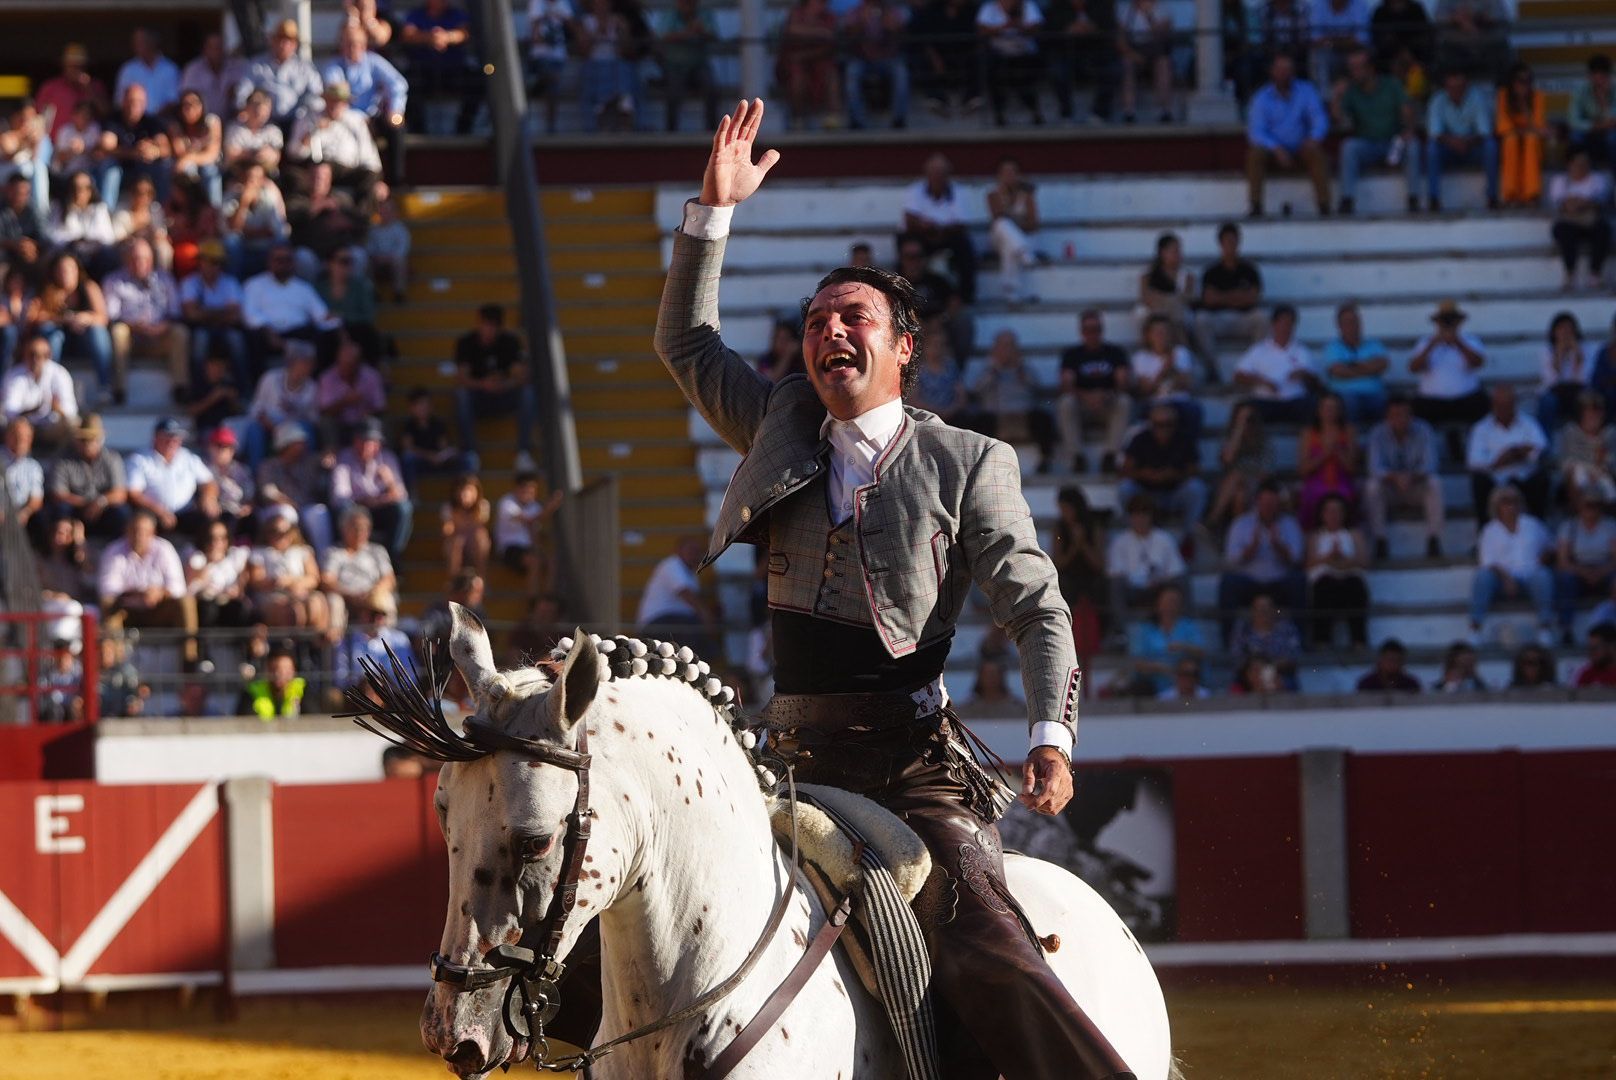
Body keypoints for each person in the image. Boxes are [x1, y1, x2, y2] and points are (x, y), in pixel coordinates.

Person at [644, 99, 1120, 1079]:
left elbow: (1036, 608)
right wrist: (710, 213)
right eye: (816, 321)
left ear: (903, 347)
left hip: (911, 764)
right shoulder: (777, 420)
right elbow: (685, 344)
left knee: (987, 948)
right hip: (781, 751)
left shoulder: (966, 461)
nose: (828, 332)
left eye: (851, 317)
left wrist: (1048, 736)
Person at [97, 508, 198, 662]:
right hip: (127, 611)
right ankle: (118, 668)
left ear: (152, 532)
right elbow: (107, 590)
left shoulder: (164, 549)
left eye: (144, 531)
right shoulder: (114, 551)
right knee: (108, 605)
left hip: (159, 609)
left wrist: (159, 593)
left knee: (186, 602)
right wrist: (139, 594)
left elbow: (178, 588)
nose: (139, 535)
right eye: (134, 530)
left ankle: (190, 663)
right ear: (127, 531)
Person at [1218, 479, 1307, 639]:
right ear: (1257, 501)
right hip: (1249, 583)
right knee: (1228, 582)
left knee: (1299, 581)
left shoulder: (1290, 524)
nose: (1268, 507)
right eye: (1265, 502)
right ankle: (1228, 641)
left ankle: (1301, 639)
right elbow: (1231, 559)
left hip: (1279, 583)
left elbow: (1297, 559)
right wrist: (1251, 549)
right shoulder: (1241, 524)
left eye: (1272, 503)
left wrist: (1279, 546)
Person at [1245, 52, 1330, 218]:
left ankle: (1324, 205)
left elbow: (1319, 119)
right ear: (1272, 72)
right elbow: (1256, 132)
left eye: (1288, 69)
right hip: (1273, 152)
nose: (1284, 74)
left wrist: (1313, 138)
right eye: (1280, 69)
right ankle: (1255, 205)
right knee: (1255, 155)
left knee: (1317, 155)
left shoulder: (1306, 91)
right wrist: (1276, 149)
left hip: (1301, 148)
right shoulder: (1261, 98)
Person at [103, 237, 190, 401]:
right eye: (134, 259)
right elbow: (111, 317)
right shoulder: (114, 281)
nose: (139, 263)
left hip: (159, 337)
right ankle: (119, 389)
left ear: (151, 260)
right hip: (131, 338)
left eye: (144, 259)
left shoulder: (165, 280)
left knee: (180, 332)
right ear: (126, 260)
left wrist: (162, 327)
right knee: (118, 332)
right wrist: (134, 326)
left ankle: (180, 387)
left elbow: (176, 313)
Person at [1334, 46, 1417, 214]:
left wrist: (1408, 128)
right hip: (1368, 144)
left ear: (1370, 68)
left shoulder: (1391, 84)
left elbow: (1407, 111)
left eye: (1358, 68)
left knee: (1413, 145)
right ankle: (1347, 199)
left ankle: (1413, 198)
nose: (1354, 72)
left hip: (1394, 143)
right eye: (1351, 68)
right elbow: (1338, 120)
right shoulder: (1350, 90)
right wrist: (1337, 96)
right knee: (1349, 146)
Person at [1469, 484, 1554, 646]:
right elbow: (1487, 562)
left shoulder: (1532, 524)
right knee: (1482, 577)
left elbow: (1550, 546)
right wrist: (1506, 578)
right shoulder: (1490, 531)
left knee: (1543, 575)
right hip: (1501, 581)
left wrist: (1543, 558)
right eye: (1505, 501)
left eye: (1514, 501)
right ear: (1497, 506)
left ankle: (1545, 629)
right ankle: (1475, 629)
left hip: (1530, 577)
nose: (1511, 505)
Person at [323, 21, 409, 180]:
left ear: (364, 45)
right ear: (341, 45)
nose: (352, 48)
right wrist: (356, 117)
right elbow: (336, 94)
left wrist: (395, 110)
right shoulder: (333, 65)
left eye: (356, 44)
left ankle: (397, 179)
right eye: (348, 43)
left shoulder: (373, 61)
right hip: (345, 119)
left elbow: (398, 84)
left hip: (372, 117)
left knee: (397, 127)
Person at [454, 303, 536, 470]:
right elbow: (462, 378)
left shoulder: (510, 343)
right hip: (479, 397)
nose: (489, 330)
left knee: (528, 393)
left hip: (504, 395)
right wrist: (483, 384)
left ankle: (523, 452)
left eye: (493, 326)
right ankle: (470, 452)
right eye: (486, 325)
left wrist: (504, 383)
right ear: (479, 324)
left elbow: (521, 376)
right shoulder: (466, 343)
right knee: (461, 395)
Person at [964, 329, 1057, 473]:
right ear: (996, 349)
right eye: (1003, 346)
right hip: (997, 416)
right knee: (979, 421)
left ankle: (1045, 460)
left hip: (1024, 415)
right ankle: (979, 464)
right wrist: (995, 369)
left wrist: (1020, 370)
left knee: (1043, 418)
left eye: (1010, 346)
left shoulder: (1025, 369)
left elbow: (1036, 388)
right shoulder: (988, 370)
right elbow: (978, 390)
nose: (1007, 351)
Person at [1364, 396, 1443, 559]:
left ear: (1411, 415)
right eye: (1395, 415)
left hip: (1415, 487)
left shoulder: (1424, 430)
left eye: (1403, 414)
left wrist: (1411, 477)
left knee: (1435, 483)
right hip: (1391, 489)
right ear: (1387, 417)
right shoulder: (1377, 433)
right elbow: (1374, 468)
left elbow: (1431, 464)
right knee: (1372, 487)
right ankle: (1380, 540)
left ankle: (1434, 538)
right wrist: (1395, 477)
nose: (1399, 419)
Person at [1119, 401, 1207, 547]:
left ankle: (1188, 536)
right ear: (1151, 424)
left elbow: (1194, 470)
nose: (1164, 428)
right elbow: (1125, 470)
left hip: (1174, 494)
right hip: (1145, 494)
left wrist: (1175, 475)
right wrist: (1145, 474)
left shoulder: (1184, 439)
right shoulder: (1140, 439)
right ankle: (1131, 535)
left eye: (1169, 424)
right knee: (1125, 489)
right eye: (1159, 424)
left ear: (1175, 424)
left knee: (1196, 489)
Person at [243, 243, 340, 373]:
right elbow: (249, 314)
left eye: (287, 260)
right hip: (267, 333)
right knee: (253, 337)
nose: (283, 264)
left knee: (328, 334)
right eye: (278, 260)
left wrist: (333, 320)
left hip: (299, 333)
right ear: (269, 262)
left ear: (293, 263)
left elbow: (321, 315)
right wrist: (268, 331)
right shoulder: (254, 284)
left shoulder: (304, 288)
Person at [1057, 309, 1130, 473]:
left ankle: (1111, 456)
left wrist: (1106, 395)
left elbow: (1123, 382)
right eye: (1088, 330)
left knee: (1124, 401)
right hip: (1082, 406)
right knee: (1066, 403)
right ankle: (1077, 457)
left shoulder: (1115, 353)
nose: (1092, 334)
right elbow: (1066, 385)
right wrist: (1087, 396)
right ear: (1081, 332)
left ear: (1102, 330)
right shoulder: (1072, 355)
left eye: (1096, 329)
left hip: (1107, 404)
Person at [330, 417, 412, 558]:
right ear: (355, 441)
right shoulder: (344, 457)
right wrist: (367, 501)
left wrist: (391, 482)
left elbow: (401, 495)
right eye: (362, 440)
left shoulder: (387, 458)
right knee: (345, 509)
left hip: (381, 509)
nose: (366, 446)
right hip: (357, 508)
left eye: (371, 442)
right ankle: (349, 555)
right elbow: (339, 497)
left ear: (378, 444)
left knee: (404, 508)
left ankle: (393, 555)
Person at [1466, 383, 1548, 523]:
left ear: (1514, 404)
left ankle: (1537, 528)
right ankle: (1484, 532)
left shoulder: (1528, 423)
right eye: (1500, 405)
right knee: (1478, 481)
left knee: (1541, 478)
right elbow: (1473, 461)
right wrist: (1499, 460)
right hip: (1494, 479)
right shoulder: (1481, 428)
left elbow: (1540, 448)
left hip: (1523, 478)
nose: (1504, 409)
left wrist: (1515, 454)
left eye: (1508, 405)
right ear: (1493, 405)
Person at [901, 153, 977, 303]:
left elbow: (961, 224)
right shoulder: (915, 190)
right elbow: (909, 220)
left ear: (948, 175)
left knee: (965, 246)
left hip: (947, 237)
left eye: (941, 173)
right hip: (921, 236)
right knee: (908, 246)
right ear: (927, 174)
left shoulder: (959, 192)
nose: (937, 177)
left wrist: (936, 229)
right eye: (934, 173)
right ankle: (903, 293)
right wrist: (929, 228)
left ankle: (964, 295)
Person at [127, 416, 219, 539]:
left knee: (211, 518)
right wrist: (160, 511)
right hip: (154, 513)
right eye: (167, 437)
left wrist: (208, 498)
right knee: (143, 523)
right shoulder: (140, 459)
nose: (172, 441)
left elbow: (208, 482)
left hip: (186, 512)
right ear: (155, 437)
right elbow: (134, 494)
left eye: (176, 438)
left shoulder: (188, 457)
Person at [1409, 298, 1488, 437]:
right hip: (1431, 402)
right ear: (1437, 322)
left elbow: (1478, 363)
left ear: (1459, 322)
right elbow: (1413, 368)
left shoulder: (1470, 341)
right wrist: (1432, 345)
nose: (1447, 324)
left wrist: (1458, 342)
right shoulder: (1425, 343)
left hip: (1466, 400)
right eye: (1444, 320)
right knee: (1414, 411)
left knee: (1484, 404)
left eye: (1451, 320)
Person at [248, 514, 333, 640]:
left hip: (300, 592)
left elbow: (314, 578)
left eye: (285, 531)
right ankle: (292, 646)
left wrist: (293, 583)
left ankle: (317, 646)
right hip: (273, 596)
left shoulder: (303, 551)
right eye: (275, 531)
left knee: (316, 602)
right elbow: (256, 580)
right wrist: (277, 583)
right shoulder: (259, 553)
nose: (280, 536)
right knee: (294, 610)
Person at [401, 0, 480, 135]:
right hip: (423, 71)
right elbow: (408, 35)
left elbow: (463, 33)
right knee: (405, 85)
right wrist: (429, 38)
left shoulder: (456, 14)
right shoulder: (416, 14)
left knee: (477, 83)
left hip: (453, 71)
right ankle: (418, 131)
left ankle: (463, 129)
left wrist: (447, 37)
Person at [1425, 68, 1498, 211]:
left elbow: (1485, 132)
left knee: (1491, 146)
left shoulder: (1477, 97)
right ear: (1446, 87)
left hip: (1472, 148)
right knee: (1432, 148)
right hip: (1448, 149)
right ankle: (1434, 198)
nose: (1455, 91)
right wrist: (1453, 142)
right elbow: (1434, 133)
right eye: (1451, 88)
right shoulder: (1438, 99)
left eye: (1459, 87)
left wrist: (1467, 142)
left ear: (1466, 86)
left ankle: (1492, 197)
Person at [1234, 303, 1321, 424]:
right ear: (1274, 324)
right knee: (1245, 410)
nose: (1286, 327)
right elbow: (1239, 376)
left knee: (1315, 406)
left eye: (1290, 323)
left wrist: (1304, 375)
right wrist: (1263, 381)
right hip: (1266, 401)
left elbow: (1316, 382)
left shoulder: (1302, 352)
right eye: (1283, 322)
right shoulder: (1259, 350)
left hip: (1295, 402)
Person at [180, 240, 249, 391]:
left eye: (216, 262)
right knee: (200, 341)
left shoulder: (230, 283)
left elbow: (235, 316)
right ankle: (197, 391)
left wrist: (204, 312)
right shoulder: (190, 283)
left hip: (225, 328)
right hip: (200, 329)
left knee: (236, 340)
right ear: (200, 263)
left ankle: (243, 390)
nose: (212, 266)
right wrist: (222, 312)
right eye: (208, 261)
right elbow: (191, 315)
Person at [1107, 492, 1187, 622]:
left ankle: (1183, 627)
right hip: (1131, 589)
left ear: (1151, 516)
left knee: (1180, 582)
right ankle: (1121, 629)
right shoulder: (1120, 541)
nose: (1140, 519)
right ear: (1130, 517)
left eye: (1144, 514)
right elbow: (1116, 573)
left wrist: (1159, 582)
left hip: (1159, 589)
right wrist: (1136, 582)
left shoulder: (1164, 539)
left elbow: (1176, 571)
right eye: (1136, 515)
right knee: (1115, 586)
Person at [256, 422, 334, 553]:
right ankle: (285, 554)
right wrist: (289, 502)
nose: (303, 445)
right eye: (297, 442)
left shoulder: (309, 462)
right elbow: (268, 493)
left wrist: (328, 457)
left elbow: (327, 457)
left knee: (319, 512)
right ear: (286, 444)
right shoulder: (268, 466)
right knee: (287, 511)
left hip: (303, 507)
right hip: (275, 510)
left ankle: (323, 557)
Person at [49, 414, 130, 539]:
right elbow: (58, 495)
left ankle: (118, 547)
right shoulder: (63, 459)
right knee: (61, 510)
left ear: (99, 440)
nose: (86, 443)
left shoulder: (112, 459)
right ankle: (62, 552)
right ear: (76, 440)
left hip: (103, 510)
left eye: (91, 439)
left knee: (122, 512)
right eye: (82, 439)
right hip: (76, 509)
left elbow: (120, 493)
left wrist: (101, 502)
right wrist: (86, 503)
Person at [1138, 231, 1210, 369]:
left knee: (1177, 309)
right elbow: (1146, 297)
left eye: (1179, 250)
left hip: (1180, 315)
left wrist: (1168, 300)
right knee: (1147, 313)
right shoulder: (1148, 276)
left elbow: (1189, 298)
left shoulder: (1187, 276)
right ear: (1162, 253)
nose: (1178, 254)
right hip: (1158, 311)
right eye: (1174, 250)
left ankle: (1183, 352)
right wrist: (1169, 301)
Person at [635, 533, 716, 655]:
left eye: (698, 551)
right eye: (691, 550)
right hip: (657, 622)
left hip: (675, 620)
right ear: (679, 550)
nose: (695, 554)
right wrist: (706, 615)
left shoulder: (691, 573)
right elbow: (686, 594)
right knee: (693, 629)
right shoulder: (672, 565)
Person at [1195, 221, 1266, 357]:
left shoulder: (1250, 270)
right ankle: (1212, 367)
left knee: (1262, 319)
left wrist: (1221, 297)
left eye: (1233, 241)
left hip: (1244, 317)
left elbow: (1252, 298)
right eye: (1227, 242)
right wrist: (1238, 296)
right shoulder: (1211, 272)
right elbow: (1208, 299)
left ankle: (1254, 364)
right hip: (1218, 318)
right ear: (1220, 244)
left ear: (1239, 242)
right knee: (1200, 320)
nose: (1230, 245)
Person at [1306, 493, 1369, 646]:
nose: (1333, 515)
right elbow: (1309, 563)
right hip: (1324, 582)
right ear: (1322, 514)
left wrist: (1340, 561)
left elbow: (1364, 561)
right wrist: (1330, 557)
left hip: (1350, 579)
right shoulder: (1315, 536)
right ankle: (1321, 641)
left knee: (1355, 586)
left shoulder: (1354, 534)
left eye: (1337, 511)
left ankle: (1358, 640)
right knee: (1323, 587)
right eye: (1329, 511)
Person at [1051, 485, 1107, 655]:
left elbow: (1099, 564)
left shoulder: (1094, 526)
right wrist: (1075, 546)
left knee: (1102, 588)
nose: (1064, 513)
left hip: (1091, 577)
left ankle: (1102, 636)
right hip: (1068, 577)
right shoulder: (1059, 529)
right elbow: (1058, 563)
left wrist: (1083, 544)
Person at [1128, 312, 1203, 440]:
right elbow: (1145, 390)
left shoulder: (1181, 353)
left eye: (1165, 332)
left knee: (1193, 411)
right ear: (1148, 335)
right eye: (1157, 332)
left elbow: (1187, 384)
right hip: (1154, 403)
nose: (1162, 336)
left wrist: (1172, 369)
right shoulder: (1140, 358)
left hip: (1180, 402)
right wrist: (1165, 370)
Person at [97, 83, 171, 210]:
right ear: (123, 101)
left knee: (165, 165)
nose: (134, 105)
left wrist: (155, 151)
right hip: (122, 170)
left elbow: (166, 149)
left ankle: (163, 211)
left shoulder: (151, 122)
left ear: (145, 103)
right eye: (131, 100)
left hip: (145, 170)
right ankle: (107, 213)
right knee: (110, 169)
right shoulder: (113, 120)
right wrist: (133, 153)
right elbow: (106, 147)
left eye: (139, 101)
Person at [322, 504, 398, 625]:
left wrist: (373, 593)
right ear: (343, 529)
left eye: (364, 528)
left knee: (386, 599)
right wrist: (351, 595)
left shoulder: (377, 551)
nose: (359, 532)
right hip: (345, 596)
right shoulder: (334, 552)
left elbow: (389, 579)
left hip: (372, 595)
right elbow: (327, 580)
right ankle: (336, 642)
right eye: (355, 528)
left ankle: (386, 640)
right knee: (334, 601)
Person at [1, 332, 78, 449]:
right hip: (23, 427)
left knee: (73, 424)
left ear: (48, 356)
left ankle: (63, 459)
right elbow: (9, 411)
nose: (35, 359)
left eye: (40, 355)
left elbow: (71, 412)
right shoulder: (14, 375)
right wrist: (30, 411)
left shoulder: (60, 374)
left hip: (50, 428)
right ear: (24, 355)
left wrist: (58, 409)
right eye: (31, 354)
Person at [1554, 495, 1616, 641]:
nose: (1591, 510)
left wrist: (1600, 572)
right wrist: (1584, 573)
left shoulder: (1611, 526)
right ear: (1579, 508)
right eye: (1587, 506)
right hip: (1578, 570)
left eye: (1595, 506)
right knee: (1565, 579)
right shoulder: (1568, 527)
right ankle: (1566, 628)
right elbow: (1562, 561)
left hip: (1605, 569)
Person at [1206, 400, 1273, 535]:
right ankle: (1236, 535)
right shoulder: (1229, 437)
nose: (1247, 423)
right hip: (1229, 487)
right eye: (1242, 419)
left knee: (1238, 475)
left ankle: (1213, 519)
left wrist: (1245, 474)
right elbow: (1227, 459)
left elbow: (1266, 473)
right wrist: (1239, 429)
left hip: (1256, 484)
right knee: (1239, 495)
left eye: (1249, 419)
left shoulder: (1264, 440)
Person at [1548, 151, 1611, 293]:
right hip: (1570, 223)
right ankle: (1570, 274)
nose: (1582, 167)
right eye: (1578, 164)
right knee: (1564, 231)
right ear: (1569, 165)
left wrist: (1579, 203)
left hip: (1590, 223)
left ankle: (1595, 273)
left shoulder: (1598, 179)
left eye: (1585, 164)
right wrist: (1577, 203)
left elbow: (1600, 199)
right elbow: (1560, 203)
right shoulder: (1560, 181)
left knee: (1603, 229)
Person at [977, 0, 1047, 126]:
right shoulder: (990, 7)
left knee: (1023, 77)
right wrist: (1003, 28)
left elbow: (1036, 27)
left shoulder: (1027, 5)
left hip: (1025, 54)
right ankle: (999, 114)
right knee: (992, 73)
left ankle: (1034, 111)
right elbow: (982, 30)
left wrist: (1019, 26)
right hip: (999, 54)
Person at [843, 0, 911, 130]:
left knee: (901, 72)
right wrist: (861, 23)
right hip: (862, 59)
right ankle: (857, 121)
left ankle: (898, 118)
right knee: (851, 73)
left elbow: (901, 33)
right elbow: (849, 35)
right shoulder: (855, 12)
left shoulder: (893, 11)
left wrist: (892, 25)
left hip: (888, 58)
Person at [243, 19, 324, 129]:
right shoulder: (257, 66)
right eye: (279, 39)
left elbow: (317, 94)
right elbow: (243, 92)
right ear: (272, 41)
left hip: (296, 122)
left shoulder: (305, 68)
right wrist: (247, 109)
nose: (283, 45)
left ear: (295, 44)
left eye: (289, 41)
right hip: (265, 123)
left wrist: (306, 108)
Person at [909, 0, 983, 118]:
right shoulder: (932, 10)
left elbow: (977, 37)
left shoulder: (972, 11)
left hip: (964, 54)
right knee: (923, 61)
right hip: (939, 55)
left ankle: (971, 99)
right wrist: (935, 58)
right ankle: (937, 99)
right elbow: (925, 39)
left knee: (978, 59)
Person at [776, 0, 841, 130]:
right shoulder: (797, 14)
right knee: (797, 77)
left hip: (819, 61)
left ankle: (832, 117)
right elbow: (792, 31)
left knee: (831, 75)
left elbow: (830, 39)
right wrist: (820, 33)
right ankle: (798, 118)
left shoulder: (829, 16)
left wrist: (812, 36)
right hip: (797, 63)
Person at [495, 471, 562, 596]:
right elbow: (529, 520)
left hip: (528, 549)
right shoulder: (506, 503)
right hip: (510, 549)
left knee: (552, 561)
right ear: (517, 488)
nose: (529, 493)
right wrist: (549, 509)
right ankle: (533, 602)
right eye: (526, 489)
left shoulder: (534, 506)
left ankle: (548, 597)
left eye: (532, 490)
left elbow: (534, 530)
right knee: (534, 561)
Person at [1322, 301, 1389, 425]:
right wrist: (1368, 367)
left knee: (1389, 406)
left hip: (1375, 395)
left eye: (1354, 321)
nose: (1352, 325)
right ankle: (1351, 441)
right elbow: (1337, 371)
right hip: (1345, 397)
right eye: (1347, 322)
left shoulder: (1374, 344)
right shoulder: (1332, 347)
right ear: (1339, 325)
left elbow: (1383, 365)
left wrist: (1350, 367)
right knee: (1350, 403)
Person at [1298, 392, 1359, 526]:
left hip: (1341, 482)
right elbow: (1303, 470)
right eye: (1326, 408)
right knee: (1311, 498)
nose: (1329, 412)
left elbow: (1352, 469)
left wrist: (1337, 450)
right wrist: (1324, 454)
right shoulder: (1308, 433)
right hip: (1316, 482)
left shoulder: (1349, 431)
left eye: (1333, 408)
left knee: (1346, 497)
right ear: (1319, 411)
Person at [186, 518, 252, 641]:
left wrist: (237, 589)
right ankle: (203, 653)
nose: (215, 543)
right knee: (208, 608)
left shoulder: (235, 557)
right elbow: (190, 588)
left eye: (221, 538)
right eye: (211, 538)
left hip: (229, 603)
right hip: (205, 604)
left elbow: (242, 583)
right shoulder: (197, 558)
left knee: (241, 608)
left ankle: (242, 653)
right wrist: (209, 563)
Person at [399, 386, 476, 490]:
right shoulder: (408, 426)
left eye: (426, 404)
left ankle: (465, 492)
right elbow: (408, 448)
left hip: (440, 462)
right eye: (420, 404)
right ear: (411, 408)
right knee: (407, 458)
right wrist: (429, 456)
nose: (424, 408)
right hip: (421, 463)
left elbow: (443, 447)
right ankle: (410, 496)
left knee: (470, 459)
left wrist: (445, 454)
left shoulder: (438, 424)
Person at [986, 157, 1040, 304]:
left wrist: (1011, 218)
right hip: (1000, 237)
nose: (1009, 176)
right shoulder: (993, 195)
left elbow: (1034, 224)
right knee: (1002, 225)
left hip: (1021, 239)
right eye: (1006, 173)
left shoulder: (1027, 195)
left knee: (1009, 245)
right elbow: (997, 217)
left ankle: (1010, 291)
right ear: (999, 176)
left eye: (1012, 172)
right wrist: (1018, 220)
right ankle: (1022, 252)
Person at [1496, 62, 1547, 208]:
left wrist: (1525, 106)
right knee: (1511, 140)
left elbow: (1538, 126)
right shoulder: (1503, 96)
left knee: (1531, 140)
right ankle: (1511, 195)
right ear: (1512, 82)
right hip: (1512, 138)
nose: (1524, 85)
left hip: (1531, 138)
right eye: (1520, 81)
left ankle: (1531, 194)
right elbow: (1503, 125)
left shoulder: (1537, 97)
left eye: (1528, 81)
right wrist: (1522, 131)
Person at [316, 335, 387, 439]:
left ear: (358, 363)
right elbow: (324, 411)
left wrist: (368, 411)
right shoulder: (327, 378)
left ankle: (380, 453)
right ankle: (331, 452)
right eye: (343, 364)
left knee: (379, 422)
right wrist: (345, 401)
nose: (346, 368)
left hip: (364, 423)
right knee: (326, 422)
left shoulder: (372, 376)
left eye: (350, 365)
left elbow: (381, 407)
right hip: (339, 424)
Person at [35, 44, 110, 142]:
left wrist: (89, 90)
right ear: (64, 65)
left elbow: (106, 112)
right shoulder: (50, 87)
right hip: (55, 147)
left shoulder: (95, 86)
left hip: (88, 148)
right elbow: (38, 116)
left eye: (79, 66)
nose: (76, 70)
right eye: (72, 66)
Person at [1117, 0, 1175, 123]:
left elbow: (1163, 35)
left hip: (1157, 51)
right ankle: (1129, 112)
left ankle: (1164, 110)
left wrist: (1149, 14)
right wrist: (1133, 55)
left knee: (1163, 64)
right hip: (1133, 52)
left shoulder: (1162, 8)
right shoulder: (1125, 10)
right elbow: (1120, 40)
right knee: (1126, 65)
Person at [1229, 593, 1302, 689]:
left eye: (1267, 609)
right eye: (1259, 609)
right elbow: (1236, 657)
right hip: (1248, 676)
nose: (1263, 613)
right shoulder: (1242, 629)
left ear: (1274, 610)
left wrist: (1270, 667)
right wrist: (1254, 669)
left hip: (1281, 673)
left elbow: (1293, 656)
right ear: (1252, 611)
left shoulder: (1287, 629)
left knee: (1280, 682)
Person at [1555, 392, 1616, 505]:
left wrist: (1601, 462)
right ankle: (1580, 514)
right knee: (1576, 474)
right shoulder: (1570, 432)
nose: (1593, 416)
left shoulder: (1611, 433)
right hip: (1578, 475)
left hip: (1605, 474)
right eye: (1589, 412)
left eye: (1597, 411)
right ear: (1580, 414)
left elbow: (1612, 461)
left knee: (1607, 484)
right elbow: (1565, 462)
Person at [526, 0, 576, 135]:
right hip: (540, 56)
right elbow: (535, 34)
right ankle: (535, 87)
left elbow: (572, 28)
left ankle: (550, 125)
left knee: (553, 86)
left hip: (558, 56)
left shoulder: (564, 3)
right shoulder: (536, 2)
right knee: (551, 79)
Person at [1538, 311, 1590, 438]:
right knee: (1547, 402)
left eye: (1569, 330)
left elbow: (1583, 379)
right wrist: (1559, 355)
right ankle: (1546, 444)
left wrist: (1577, 355)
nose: (1565, 334)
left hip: (1577, 391)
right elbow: (1551, 382)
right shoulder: (1546, 352)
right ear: (1554, 332)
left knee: (1588, 401)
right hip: (1555, 393)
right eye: (1561, 329)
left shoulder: (1587, 350)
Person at [180, 32, 249, 121]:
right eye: (211, 47)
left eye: (219, 47)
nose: (215, 51)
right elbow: (188, 99)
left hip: (231, 120)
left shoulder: (237, 67)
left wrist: (235, 94)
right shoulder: (193, 70)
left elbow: (244, 96)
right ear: (204, 49)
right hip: (201, 123)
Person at [115, 27, 181, 114]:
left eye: (142, 41)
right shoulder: (128, 69)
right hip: (135, 123)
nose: (137, 45)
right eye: (135, 42)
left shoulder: (170, 69)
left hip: (164, 121)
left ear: (153, 42)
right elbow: (119, 101)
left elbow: (174, 100)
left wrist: (154, 120)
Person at [440, 472, 491, 580]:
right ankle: (454, 582)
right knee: (457, 542)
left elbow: (480, 525)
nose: (465, 494)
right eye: (462, 490)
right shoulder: (449, 508)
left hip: (474, 544)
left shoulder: (482, 506)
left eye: (470, 490)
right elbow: (447, 530)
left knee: (480, 538)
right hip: (455, 544)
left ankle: (481, 580)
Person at [1568, 54, 1616, 166]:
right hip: (1590, 130)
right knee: (1576, 136)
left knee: (1613, 139)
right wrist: (1594, 126)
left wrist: (1603, 101)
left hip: (1610, 132)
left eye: (1603, 77)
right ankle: (1584, 173)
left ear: (1609, 76)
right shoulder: (1580, 90)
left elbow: (1613, 120)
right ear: (1589, 76)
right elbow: (1573, 120)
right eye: (1595, 77)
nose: (1599, 81)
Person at [224, 90, 285, 176]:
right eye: (255, 106)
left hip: (266, 176)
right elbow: (231, 155)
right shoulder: (235, 128)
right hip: (238, 175)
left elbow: (276, 157)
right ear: (247, 107)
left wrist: (268, 154)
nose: (259, 111)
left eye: (264, 108)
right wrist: (254, 155)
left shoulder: (274, 131)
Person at [1311, 0, 1370, 87]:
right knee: (1318, 56)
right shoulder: (1319, 4)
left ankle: (1361, 94)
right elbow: (1315, 39)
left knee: (1360, 57)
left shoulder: (1359, 4)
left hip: (1353, 51)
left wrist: (1330, 41)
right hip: (1329, 53)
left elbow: (1361, 39)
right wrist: (1346, 39)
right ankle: (1324, 98)